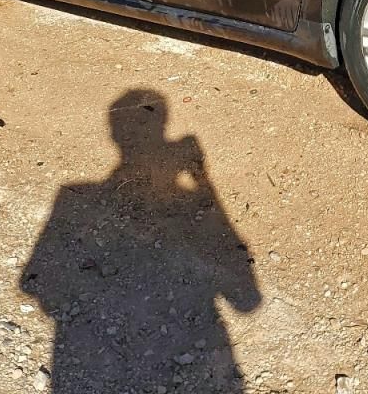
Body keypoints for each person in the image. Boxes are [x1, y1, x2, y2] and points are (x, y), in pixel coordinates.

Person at [23, 90, 261, 392]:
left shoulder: (71, 197)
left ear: (112, 135)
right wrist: (203, 182)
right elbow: (247, 300)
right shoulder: (74, 197)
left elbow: (32, 284)